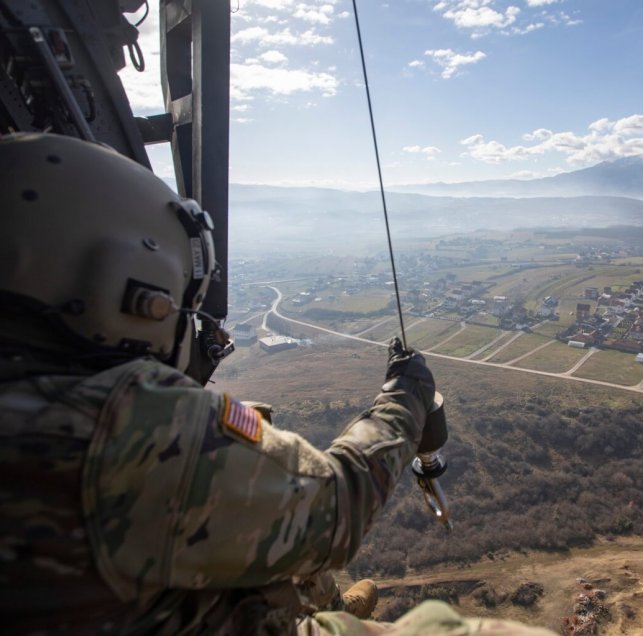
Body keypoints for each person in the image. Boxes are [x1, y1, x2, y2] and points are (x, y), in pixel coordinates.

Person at [0, 133, 556, 635]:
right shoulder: (113, 427)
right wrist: (406, 400)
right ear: (120, 285)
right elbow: (337, 505)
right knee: (447, 625)